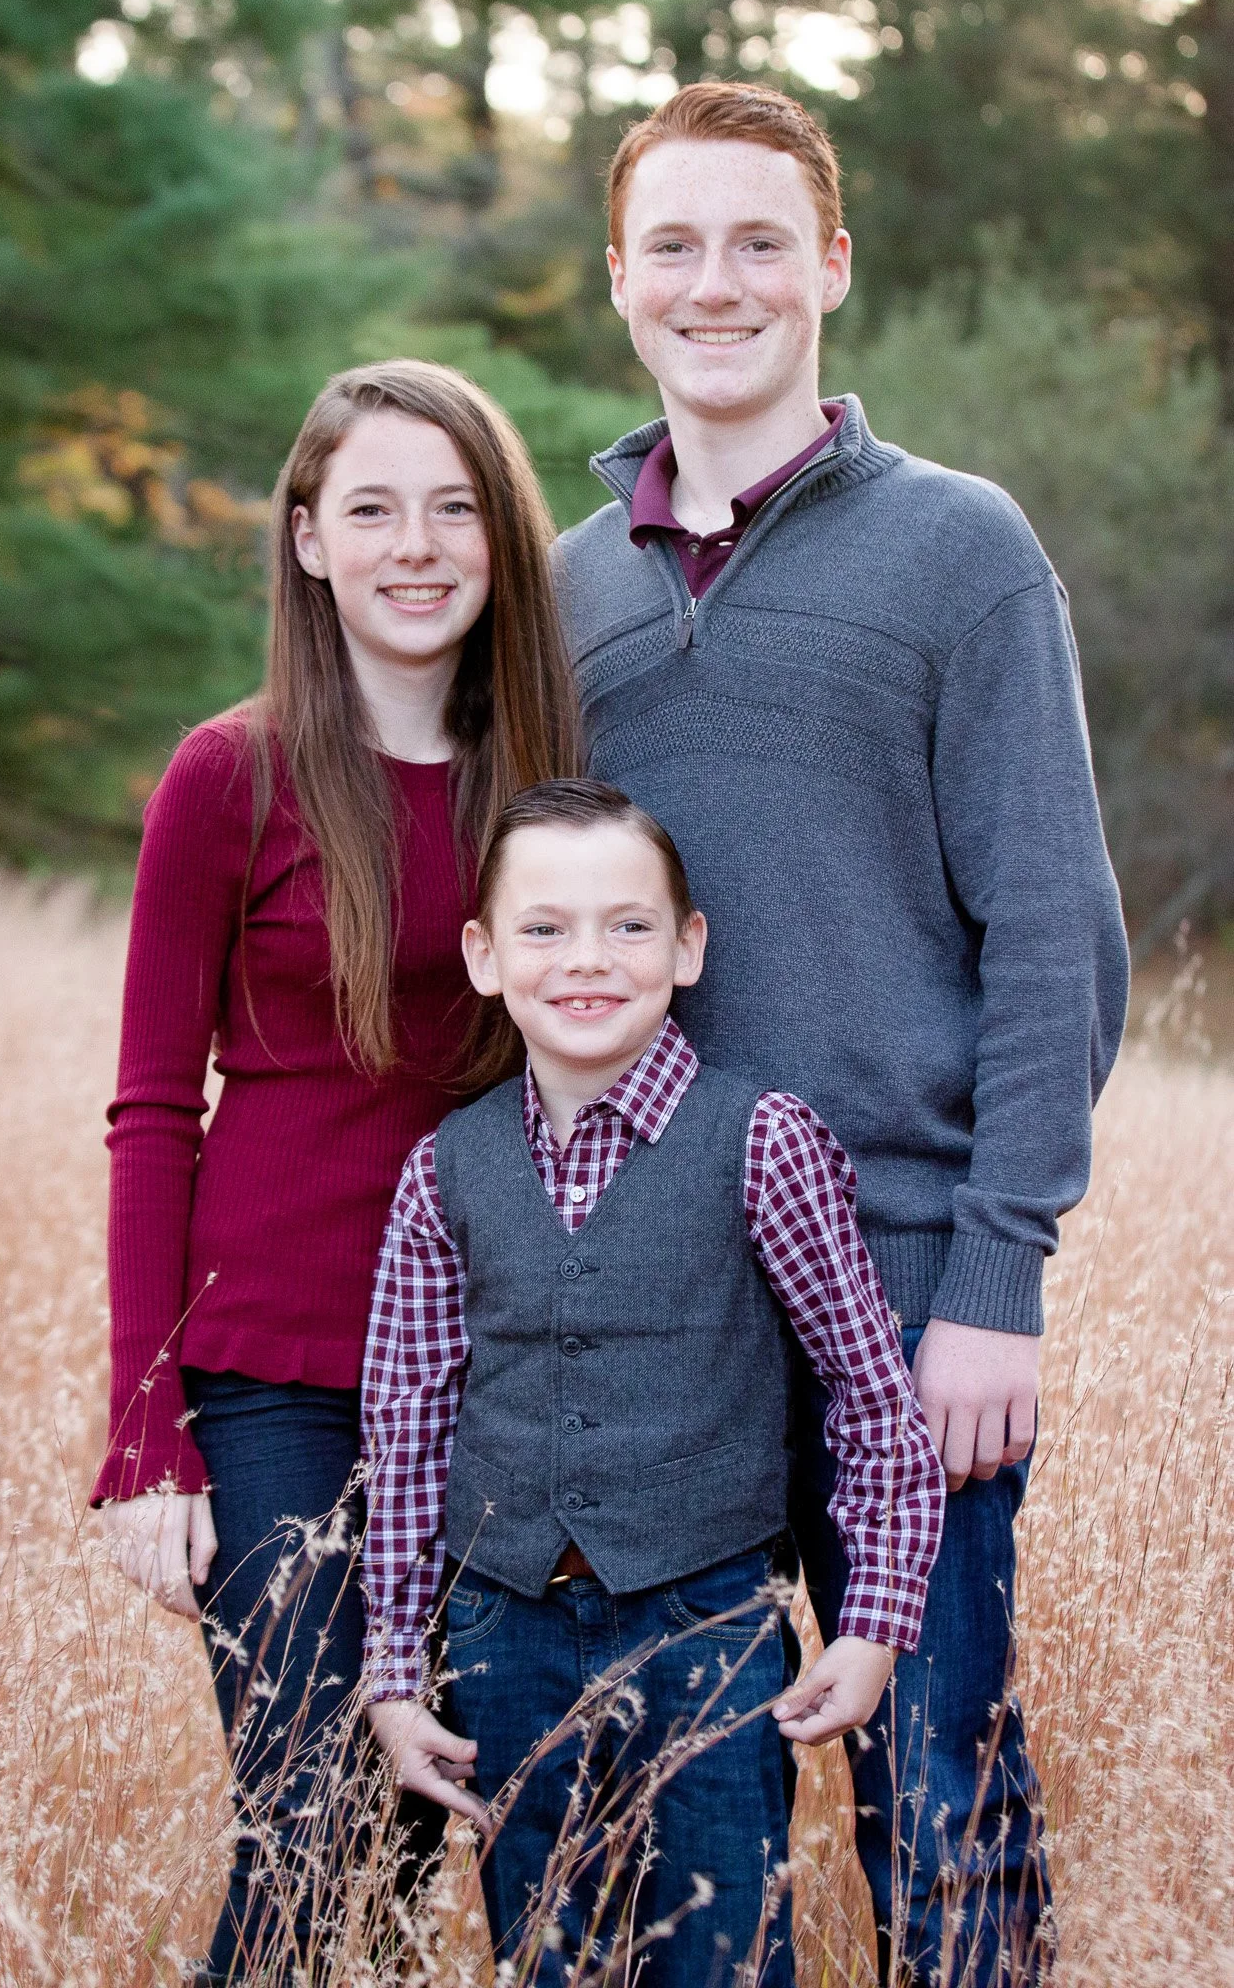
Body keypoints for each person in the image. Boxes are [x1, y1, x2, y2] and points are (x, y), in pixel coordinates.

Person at [552, 82, 1131, 1984]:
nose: (717, 282)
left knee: (940, 1787)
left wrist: (998, 1273)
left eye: (758, 240)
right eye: (675, 245)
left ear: (833, 267)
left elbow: (1055, 933)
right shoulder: (562, 593)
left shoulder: (962, 553)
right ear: (618, 281)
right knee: (674, 1820)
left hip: (902, 1297)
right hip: (651, 1312)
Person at [92, 360, 580, 1984]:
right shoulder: (228, 774)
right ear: (308, 540)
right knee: (314, 1818)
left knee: (426, 1814)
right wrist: (145, 1435)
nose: (416, 543)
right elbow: (155, 1107)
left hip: (500, 1368)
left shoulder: (554, 783)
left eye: (453, 507)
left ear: (503, 541)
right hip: (278, 1373)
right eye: (372, 507)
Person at [361, 779, 946, 1988]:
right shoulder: (444, 1170)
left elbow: (868, 1392)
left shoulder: (764, 1138)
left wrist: (877, 1616)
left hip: (709, 1623)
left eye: (629, 925)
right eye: (543, 928)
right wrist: (393, 1668)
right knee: (551, 1952)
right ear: (482, 956)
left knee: (722, 1951)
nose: (587, 959)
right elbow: (407, 1429)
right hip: (504, 1625)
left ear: (688, 948)